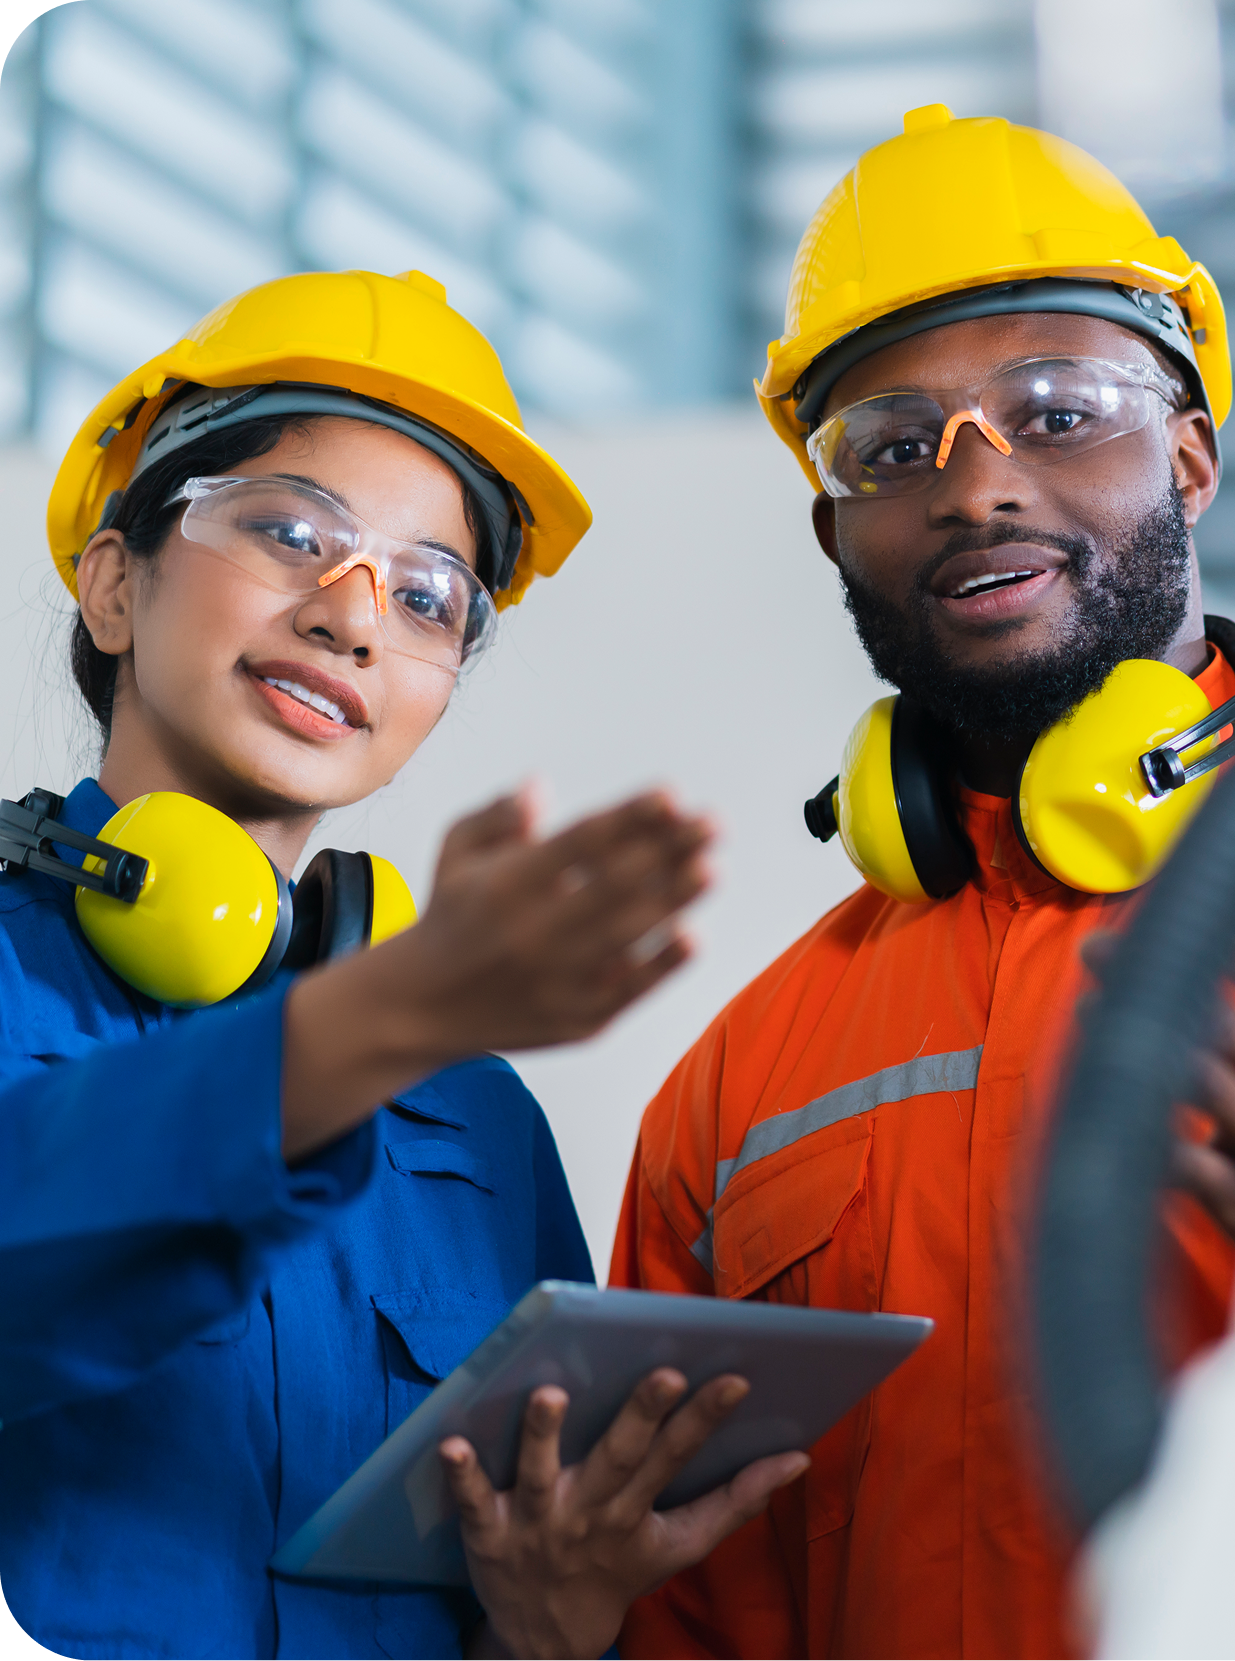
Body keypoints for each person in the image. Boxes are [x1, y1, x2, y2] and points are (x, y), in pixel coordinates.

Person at [609, 107, 1235, 1661]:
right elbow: (690, 1623)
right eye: (891, 446)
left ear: (1191, 453)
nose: (974, 486)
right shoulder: (736, 1088)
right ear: (834, 529)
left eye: (1060, 408)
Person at [0, 268, 806, 1661]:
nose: (353, 614)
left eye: (430, 597)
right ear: (114, 584)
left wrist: (552, 1626)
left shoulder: (473, 1117)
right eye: (291, 532)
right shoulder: (399, 1026)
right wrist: (379, 1019)